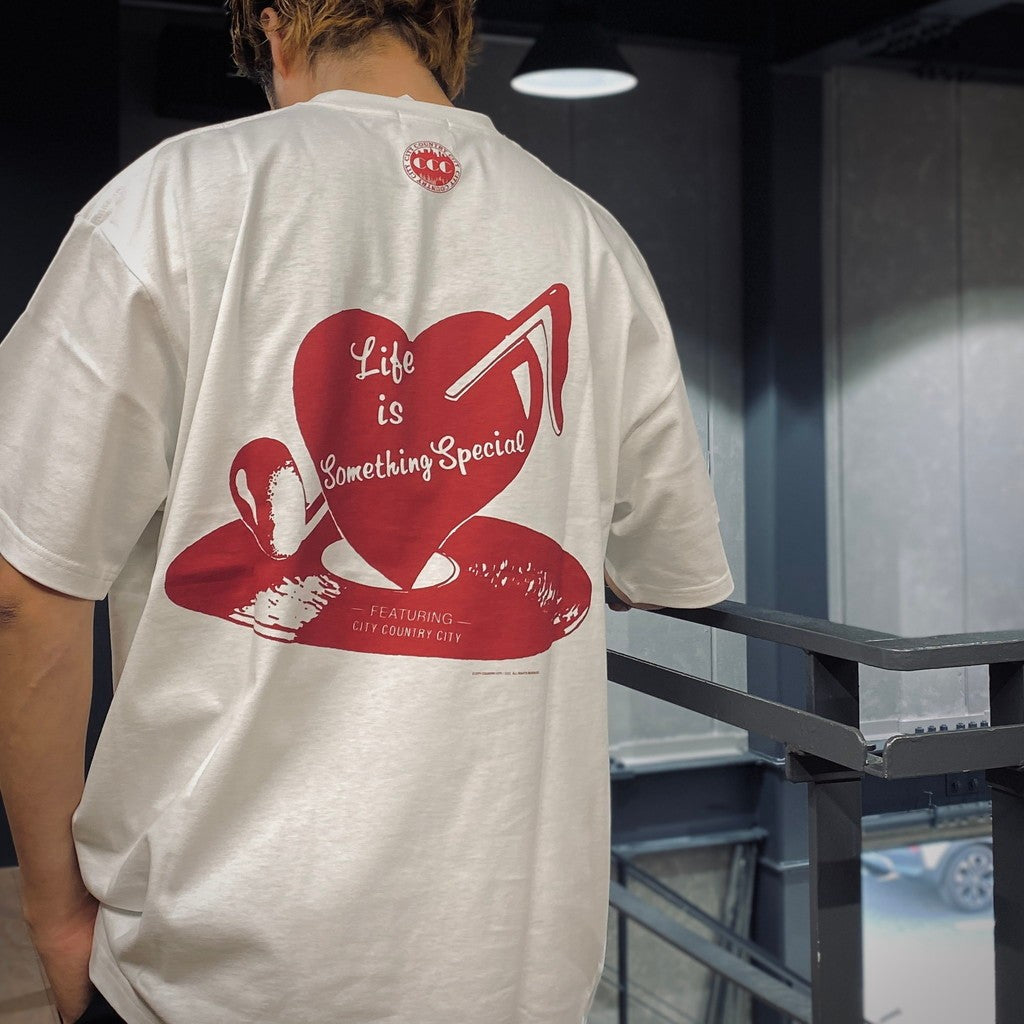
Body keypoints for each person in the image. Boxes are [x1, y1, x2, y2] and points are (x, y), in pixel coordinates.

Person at [0, 2, 734, 1022]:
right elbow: (660, 565)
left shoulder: (173, 199)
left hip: (213, 974)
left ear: (276, 29)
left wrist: (53, 911)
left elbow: (24, 589)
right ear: (452, 36)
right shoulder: (590, 241)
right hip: (510, 971)